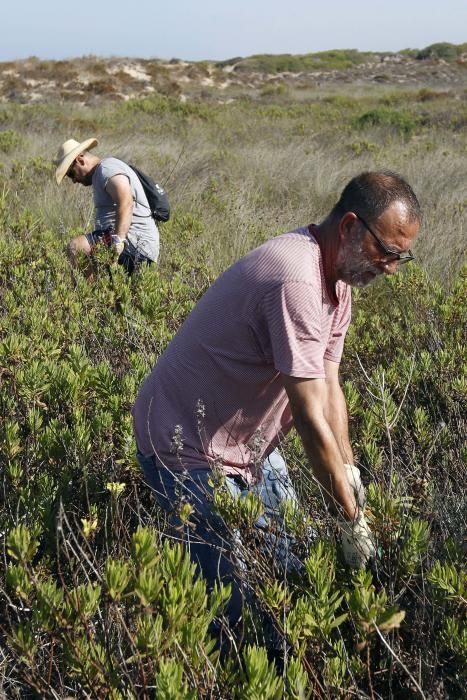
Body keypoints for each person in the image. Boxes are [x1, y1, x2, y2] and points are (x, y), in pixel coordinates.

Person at [132, 170, 421, 641]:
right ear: (349, 226)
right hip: (183, 443)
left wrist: (349, 476)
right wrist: (351, 521)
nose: (390, 268)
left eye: (400, 258)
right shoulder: (296, 279)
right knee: (236, 606)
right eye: (386, 252)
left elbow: (330, 385)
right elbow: (308, 419)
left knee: (291, 569)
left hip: (249, 445)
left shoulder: (339, 281)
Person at [53, 138, 159, 274]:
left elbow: (126, 202)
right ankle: (93, 292)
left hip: (133, 244)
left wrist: (118, 241)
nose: (73, 180)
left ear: (80, 160)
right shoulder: (103, 171)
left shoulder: (107, 169)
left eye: (71, 174)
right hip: (136, 246)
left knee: (75, 247)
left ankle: (86, 294)